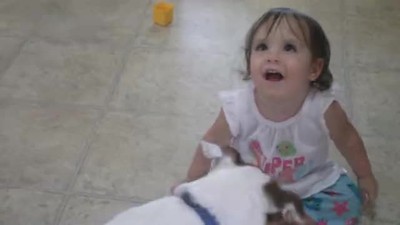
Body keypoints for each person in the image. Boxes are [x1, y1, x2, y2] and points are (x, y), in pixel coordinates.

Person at [175, 7, 378, 225]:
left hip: (311, 186)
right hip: (252, 190)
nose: (272, 57)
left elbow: (348, 140)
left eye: (289, 48)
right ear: (249, 62)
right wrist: (193, 182)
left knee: (349, 204)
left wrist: (365, 175)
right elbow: (210, 144)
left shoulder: (322, 107)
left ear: (314, 68)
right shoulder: (238, 108)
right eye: (262, 47)